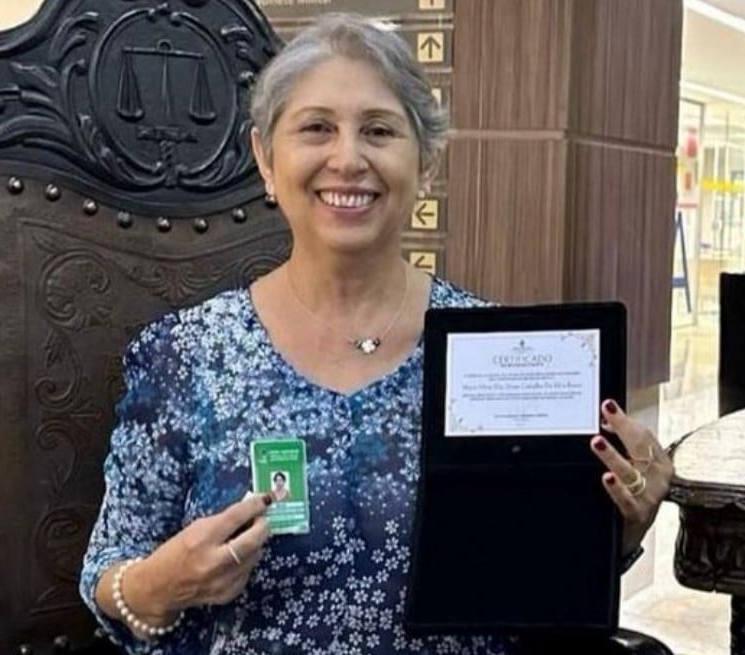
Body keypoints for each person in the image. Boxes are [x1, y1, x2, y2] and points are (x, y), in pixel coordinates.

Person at [78, 12, 673, 654]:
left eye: (379, 130)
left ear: (426, 163)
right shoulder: (186, 355)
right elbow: (109, 572)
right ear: (266, 159)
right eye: (316, 128)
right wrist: (162, 584)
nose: (348, 159)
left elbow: (540, 585)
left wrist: (615, 528)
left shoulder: (496, 357)